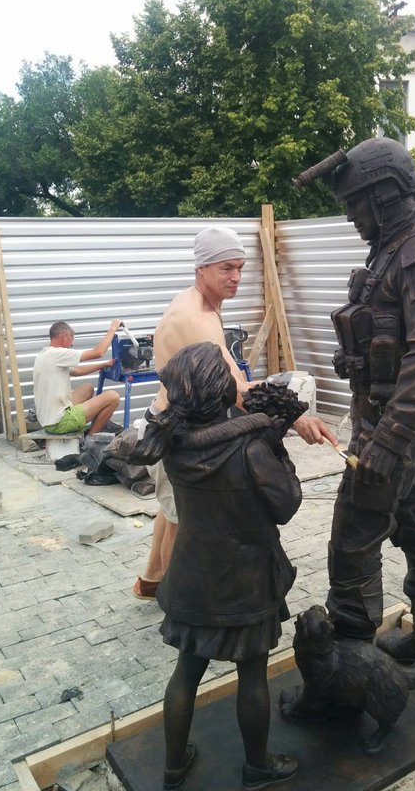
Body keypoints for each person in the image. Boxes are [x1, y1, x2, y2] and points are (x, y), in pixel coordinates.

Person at [295, 137, 415, 674]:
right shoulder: (393, 250)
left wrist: (388, 440)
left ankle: (349, 668)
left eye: (355, 203)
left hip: (395, 427)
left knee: (354, 536)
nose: (350, 215)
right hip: (386, 420)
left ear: (386, 195)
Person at [133, 225, 336, 600]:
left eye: (240, 267)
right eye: (226, 268)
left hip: (168, 421)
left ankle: (151, 580)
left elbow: (231, 377)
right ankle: (178, 605)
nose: (236, 277)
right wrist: (296, 416)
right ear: (202, 268)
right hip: (172, 430)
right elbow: (234, 391)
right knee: (185, 521)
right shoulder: (194, 317)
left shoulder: (204, 305)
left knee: (172, 508)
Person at [132, 342, 301, 789]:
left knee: (187, 672)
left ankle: (173, 767)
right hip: (247, 582)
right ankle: (257, 766)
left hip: (192, 577)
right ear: (221, 388)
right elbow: (286, 505)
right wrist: (278, 450)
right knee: (252, 674)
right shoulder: (251, 448)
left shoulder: (174, 445)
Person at [33, 320, 122, 435]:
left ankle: (87, 424)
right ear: (65, 336)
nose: (72, 344)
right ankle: (91, 438)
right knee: (113, 397)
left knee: (87, 388)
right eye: (72, 339)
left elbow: (77, 371)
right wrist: (113, 328)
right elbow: (98, 352)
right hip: (59, 422)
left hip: (49, 419)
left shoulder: (45, 354)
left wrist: (104, 364)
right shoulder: (57, 353)